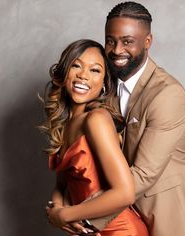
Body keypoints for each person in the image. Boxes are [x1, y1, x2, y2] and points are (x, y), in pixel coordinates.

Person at [90, 2, 185, 236]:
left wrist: (82, 214)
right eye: (110, 40)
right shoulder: (106, 84)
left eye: (128, 41)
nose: (116, 50)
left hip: (169, 216)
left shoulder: (167, 94)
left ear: (148, 42)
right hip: (125, 214)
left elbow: (144, 174)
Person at [41, 39, 149, 236]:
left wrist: (65, 215)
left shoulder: (96, 119)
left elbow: (124, 193)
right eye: (76, 66)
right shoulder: (64, 125)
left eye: (95, 70)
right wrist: (56, 209)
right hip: (89, 231)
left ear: (104, 82)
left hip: (120, 231)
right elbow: (62, 184)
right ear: (64, 72)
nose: (83, 75)